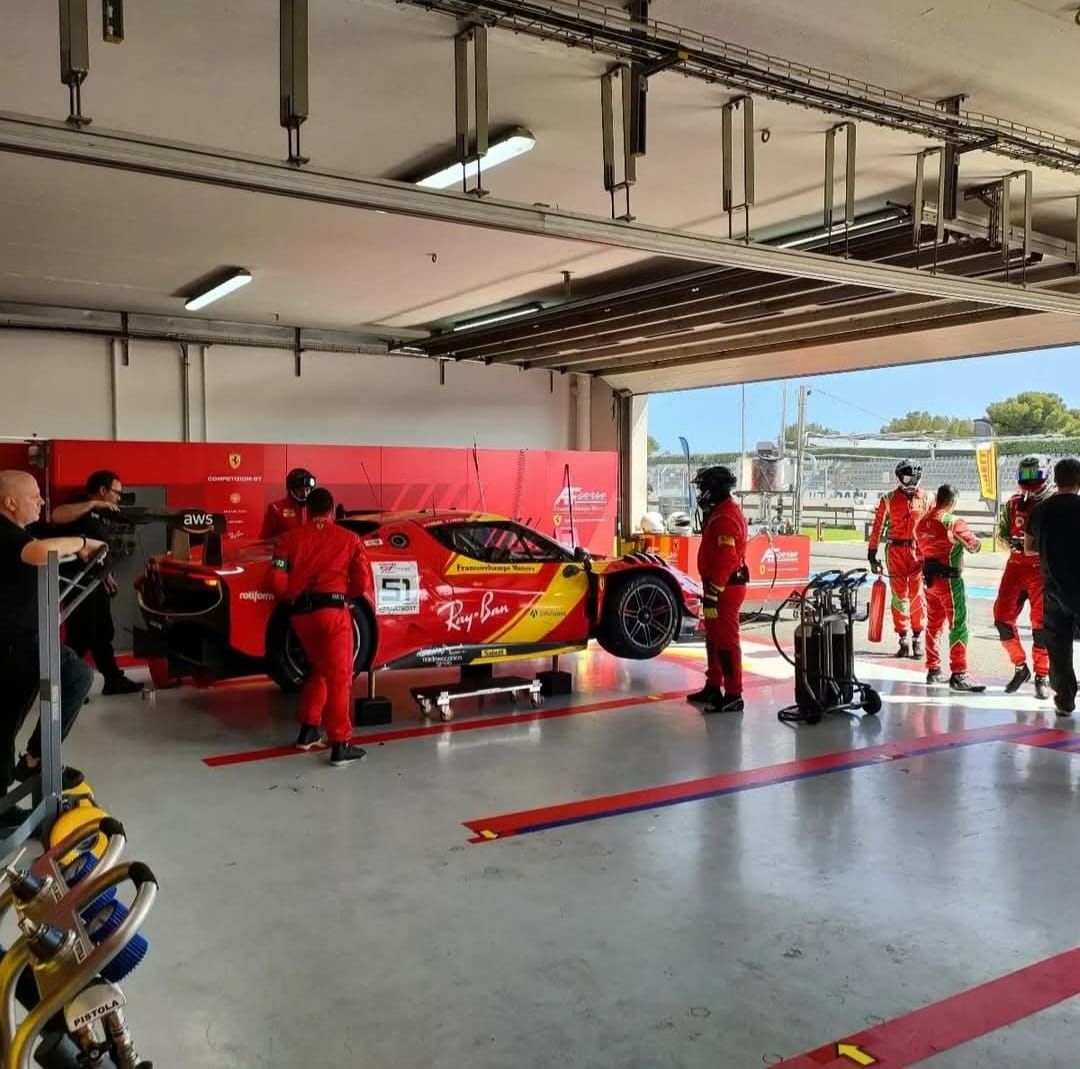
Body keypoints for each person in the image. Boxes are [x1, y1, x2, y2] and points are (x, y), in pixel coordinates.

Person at [0, 470, 105, 805]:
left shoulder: (20, 531)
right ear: (10, 502)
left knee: (5, 723)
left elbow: (47, 539)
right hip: (15, 643)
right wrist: (84, 543)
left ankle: (4, 808)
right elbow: (39, 552)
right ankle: (36, 759)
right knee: (76, 674)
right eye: (34, 496)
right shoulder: (4, 532)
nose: (42, 502)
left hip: (19, 640)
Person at [269, 486, 368, 766]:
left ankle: (308, 731)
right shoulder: (350, 539)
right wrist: (343, 596)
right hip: (333, 614)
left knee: (321, 670)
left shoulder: (287, 539)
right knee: (340, 677)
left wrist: (291, 596)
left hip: (300, 617)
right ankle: (340, 744)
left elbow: (276, 581)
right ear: (332, 510)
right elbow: (362, 582)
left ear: (307, 511)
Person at [51, 470, 142, 695]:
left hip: (94, 579)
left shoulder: (103, 516)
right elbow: (56, 515)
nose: (118, 498)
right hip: (76, 581)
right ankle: (63, 686)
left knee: (102, 630)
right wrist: (92, 504)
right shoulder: (79, 504)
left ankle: (112, 679)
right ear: (103, 490)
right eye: (116, 493)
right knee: (81, 635)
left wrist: (106, 575)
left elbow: (98, 548)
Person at [687, 465, 748, 714]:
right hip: (717, 586)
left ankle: (733, 693)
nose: (701, 493)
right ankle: (713, 685)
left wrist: (713, 592)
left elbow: (727, 557)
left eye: (703, 488)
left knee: (726, 641)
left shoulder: (725, 517)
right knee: (713, 639)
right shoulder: (720, 512)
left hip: (725, 588)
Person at [914, 483, 985, 692]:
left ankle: (933, 670)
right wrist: (976, 541)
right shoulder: (953, 522)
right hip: (950, 582)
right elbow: (974, 546)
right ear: (953, 501)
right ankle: (959, 673)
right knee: (959, 625)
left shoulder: (921, 523)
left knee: (933, 625)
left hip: (929, 582)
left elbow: (918, 553)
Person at [994, 455, 1053, 699]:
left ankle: (1042, 675)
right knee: (1001, 619)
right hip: (1015, 567)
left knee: (1040, 626)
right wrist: (1010, 542)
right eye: (1025, 475)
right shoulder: (1013, 503)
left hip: (1042, 571)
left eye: (1034, 474)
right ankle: (1020, 667)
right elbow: (1000, 535)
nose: (1029, 480)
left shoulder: (1054, 504)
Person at [1026, 457, 1080, 718]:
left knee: (1058, 648)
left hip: (1052, 588)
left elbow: (1028, 548)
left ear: (1055, 480)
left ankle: (1065, 700)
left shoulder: (1039, 510)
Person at [868, 460, 931, 659]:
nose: (910, 481)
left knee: (918, 595)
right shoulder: (888, 499)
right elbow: (877, 527)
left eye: (914, 478)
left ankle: (917, 638)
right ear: (899, 478)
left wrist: (934, 556)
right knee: (899, 596)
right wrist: (872, 554)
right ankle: (903, 639)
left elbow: (935, 526)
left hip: (919, 553)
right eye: (906, 478)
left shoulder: (928, 498)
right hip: (895, 552)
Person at [261, 467, 317, 540]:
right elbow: (265, 540)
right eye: (300, 490)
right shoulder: (276, 508)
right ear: (291, 490)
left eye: (307, 489)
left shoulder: (316, 507)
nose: (305, 493)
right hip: (285, 547)